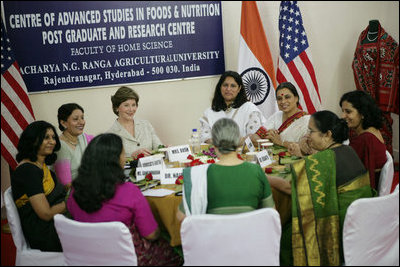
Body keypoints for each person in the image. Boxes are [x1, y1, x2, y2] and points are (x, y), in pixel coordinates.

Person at [269, 111, 374, 266]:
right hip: (364, 221)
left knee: (286, 234)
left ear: (327, 134)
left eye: (311, 131)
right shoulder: (347, 150)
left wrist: (263, 176)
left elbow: (292, 188)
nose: (308, 136)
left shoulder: (324, 160)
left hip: (341, 225)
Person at [67, 133, 183, 266]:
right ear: (115, 161)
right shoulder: (128, 191)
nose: (125, 158)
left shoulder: (74, 191)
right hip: (128, 258)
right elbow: (151, 234)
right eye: (123, 154)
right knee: (175, 249)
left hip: (89, 257)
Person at [177, 118, 275, 221]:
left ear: (214, 143)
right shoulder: (256, 171)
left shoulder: (199, 175)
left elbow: (182, 217)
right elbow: (271, 213)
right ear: (238, 141)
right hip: (249, 235)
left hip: (213, 236)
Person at [11, 120, 67, 252]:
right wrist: (73, 202)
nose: (52, 141)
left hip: (57, 223)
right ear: (32, 140)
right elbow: (46, 214)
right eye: (46, 137)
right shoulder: (28, 170)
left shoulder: (40, 167)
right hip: (46, 233)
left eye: (53, 137)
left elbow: (58, 193)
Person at [199, 70, 267, 145]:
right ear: (220, 87)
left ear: (239, 89)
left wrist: (223, 143)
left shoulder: (250, 109)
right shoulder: (209, 112)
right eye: (225, 85)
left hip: (243, 154)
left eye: (233, 86)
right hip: (216, 154)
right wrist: (236, 142)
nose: (228, 89)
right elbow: (205, 138)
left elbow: (253, 138)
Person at [340, 90, 387, 190]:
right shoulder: (373, 130)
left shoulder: (365, 139)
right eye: (342, 111)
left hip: (364, 193)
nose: (343, 116)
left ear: (362, 114)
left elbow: (345, 168)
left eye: (348, 112)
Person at [108, 86, 163, 159]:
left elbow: (159, 149)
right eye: (126, 105)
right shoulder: (110, 135)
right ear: (116, 108)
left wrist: (166, 149)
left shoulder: (146, 125)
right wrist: (132, 156)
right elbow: (112, 164)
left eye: (133, 105)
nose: (131, 109)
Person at [257, 82, 310, 148]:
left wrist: (280, 142)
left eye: (287, 97)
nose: (283, 101)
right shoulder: (277, 116)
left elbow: (308, 147)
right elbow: (256, 137)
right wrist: (268, 137)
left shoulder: (307, 120)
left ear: (296, 98)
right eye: (279, 99)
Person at [53, 103, 94, 189]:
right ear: (64, 123)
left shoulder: (87, 139)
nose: (81, 122)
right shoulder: (60, 147)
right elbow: (66, 184)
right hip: (75, 194)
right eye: (75, 119)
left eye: (82, 118)